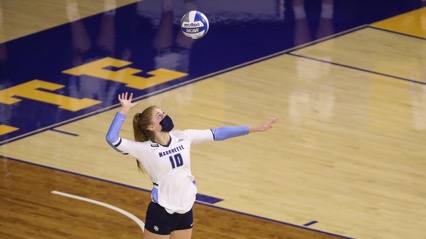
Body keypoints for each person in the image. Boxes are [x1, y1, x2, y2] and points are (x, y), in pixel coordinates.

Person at [106, 92, 278, 239]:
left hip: (186, 208)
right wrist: (124, 111)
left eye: (163, 112)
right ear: (152, 127)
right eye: (159, 116)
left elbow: (219, 133)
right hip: (162, 211)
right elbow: (112, 139)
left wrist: (255, 128)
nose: (165, 116)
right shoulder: (144, 149)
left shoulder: (183, 136)